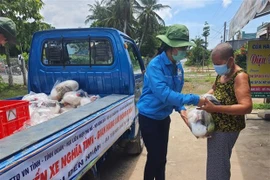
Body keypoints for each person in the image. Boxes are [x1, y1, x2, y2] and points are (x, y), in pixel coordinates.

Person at [136, 24, 206, 180]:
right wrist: (195, 99)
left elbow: (176, 92)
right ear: (172, 47)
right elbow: (165, 94)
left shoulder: (178, 66)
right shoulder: (155, 65)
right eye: (183, 48)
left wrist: (182, 110)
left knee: (162, 158)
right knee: (154, 158)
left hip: (163, 118)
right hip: (149, 118)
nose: (185, 51)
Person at [200, 43, 252, 180]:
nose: (217, 67)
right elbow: (214, 89)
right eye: (214, 64)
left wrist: (215, 109)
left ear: (230, 60)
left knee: (218, 166)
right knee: (215, 163)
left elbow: (246, 107)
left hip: (227, 129)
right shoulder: (222, 75)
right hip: (217, 127)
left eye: (219, 63)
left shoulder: (240, 77)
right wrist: (204, 97)